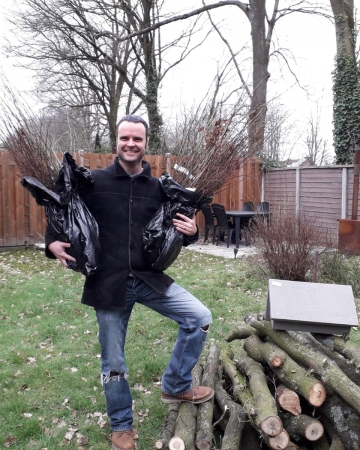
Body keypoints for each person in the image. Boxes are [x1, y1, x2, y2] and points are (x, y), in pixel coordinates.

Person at [45, 115, 213, 450]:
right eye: (125, 138)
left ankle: (176, 384)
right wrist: (51, 242)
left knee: (199, 318)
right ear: (116, 142)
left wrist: (194, 233)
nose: (130, 144)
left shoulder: (160, 188)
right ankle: (121, 425)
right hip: (108, 283)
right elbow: (63, 210)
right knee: (114, 361)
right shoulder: (94, 182)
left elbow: (180, 228)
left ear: (145, 143)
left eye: (137, 139)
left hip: (149, 278)